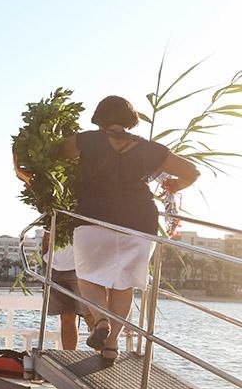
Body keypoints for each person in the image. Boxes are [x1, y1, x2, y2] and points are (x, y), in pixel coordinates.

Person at [58, 95, 199, 361]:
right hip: (139, 221)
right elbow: (192, 172)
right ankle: (111, 345)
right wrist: (175, 186)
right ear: (130, 120)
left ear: (99, 116)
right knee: (123, 286)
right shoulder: (150, 149)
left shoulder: (86, 140)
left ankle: (101, 320)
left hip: (94, 217)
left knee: (87, 278)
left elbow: (52, 154)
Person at [41, 231, 95, 350]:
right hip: (53, 266)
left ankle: (105, 356)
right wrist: (45, 261)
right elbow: (47, 233)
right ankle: (69, 355)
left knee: (92, 316)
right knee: (66, 317)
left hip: (81, 266)